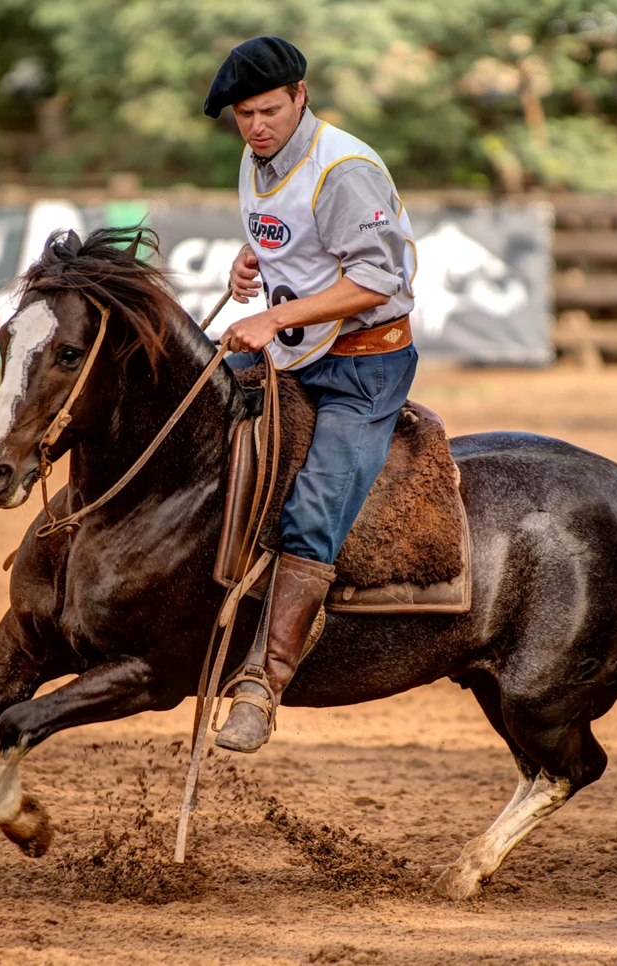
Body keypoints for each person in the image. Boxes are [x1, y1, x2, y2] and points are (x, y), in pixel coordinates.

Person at [204, 36, 418, 753]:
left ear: (301, 96)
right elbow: (289, 236)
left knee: (316, 507)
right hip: (295, 356)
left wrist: (269, 314)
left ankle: (262, 687)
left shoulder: (346, 169)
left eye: (269, 109)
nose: (257, 125)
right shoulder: (258, 158)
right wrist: (252, 258)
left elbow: (377, 282)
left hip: (362, 369)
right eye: (244, 115)